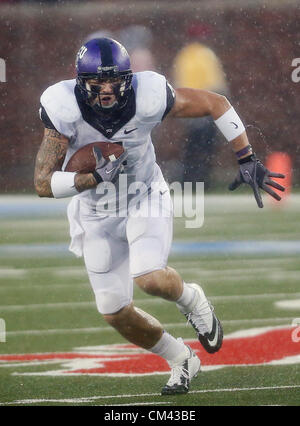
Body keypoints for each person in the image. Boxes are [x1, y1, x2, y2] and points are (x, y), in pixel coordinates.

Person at [34, 37, 285, 395]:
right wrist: (90, 178)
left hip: (144, 198)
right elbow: (43, 183)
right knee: (113, 310)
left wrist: (246, 157)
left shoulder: (149, 94)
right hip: (95, 213)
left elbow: (216, 102)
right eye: (96, 83)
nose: (106, 91)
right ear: (79, 83)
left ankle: (193, 299)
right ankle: (181, 357)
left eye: (114, 81)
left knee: (149, 277)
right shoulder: (62, 107)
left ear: (128, 79)